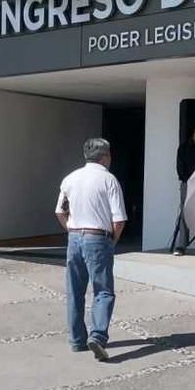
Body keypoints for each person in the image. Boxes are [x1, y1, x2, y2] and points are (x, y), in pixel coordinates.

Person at [55, 138, 127, 362]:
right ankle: (97, 335)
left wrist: (71, 230)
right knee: (103, 290)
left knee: (75, 290)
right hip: (98, 237)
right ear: (105, 156)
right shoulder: (108, 179)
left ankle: (77, 340)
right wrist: (111, 242)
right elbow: (119, 219)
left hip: (75, 236)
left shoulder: (70, 178)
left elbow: (59, 211)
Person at [174, 122, 195, 256]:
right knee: (185, 214)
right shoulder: (184, 147)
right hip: (187, 183)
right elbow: (180, 168)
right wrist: (189, 180)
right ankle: (181, 245)